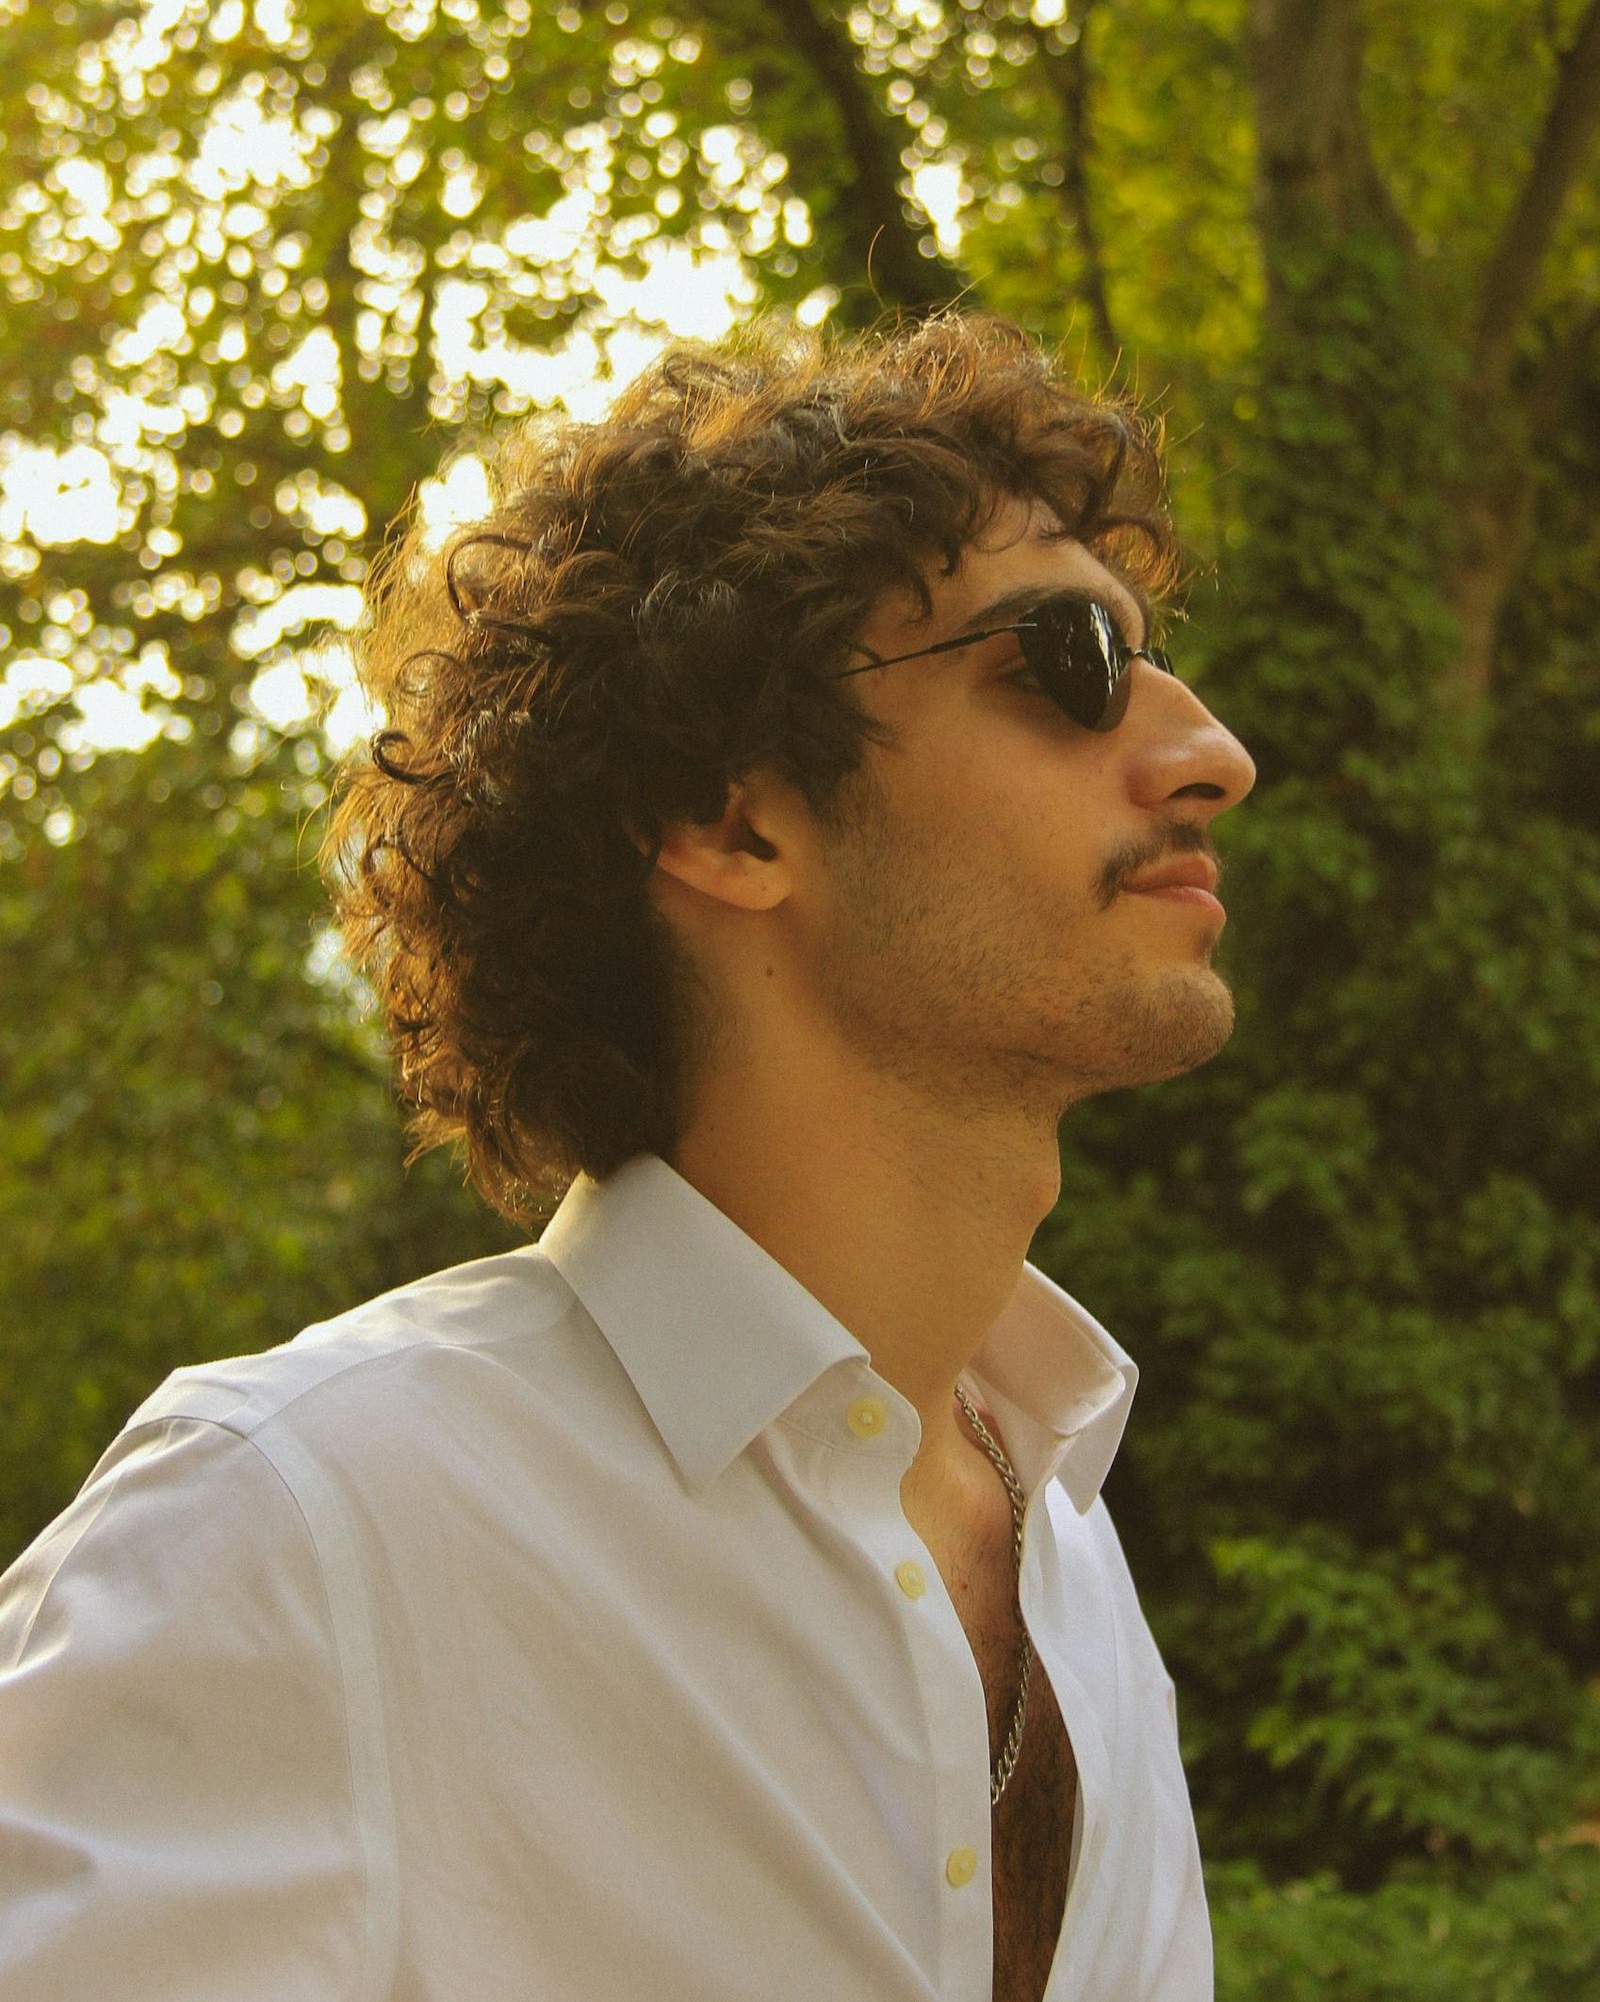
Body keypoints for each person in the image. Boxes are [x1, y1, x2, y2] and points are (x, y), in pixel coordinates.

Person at [0, 310, 1256, 2001]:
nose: (1210, 756)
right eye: (1068, 663)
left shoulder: (1078, 1570)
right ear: (730, 817)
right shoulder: (301, 1528)